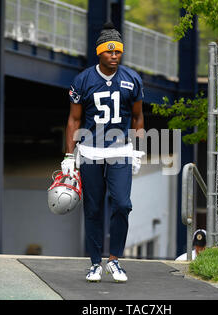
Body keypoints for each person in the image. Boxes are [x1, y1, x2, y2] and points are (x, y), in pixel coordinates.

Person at [63, 22, 144, 282]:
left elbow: (138, 117)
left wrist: (138, 150)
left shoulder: (132, 79)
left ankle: (115, 260)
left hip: (120, 149)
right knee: (94, 208)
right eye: (109, 52)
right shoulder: (83, 80)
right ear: (99, 53)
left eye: (118, 52)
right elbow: (74, 120)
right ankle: (96, 263)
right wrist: (68, 155)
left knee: (122, 204)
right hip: (89, 150)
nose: (114, 56)